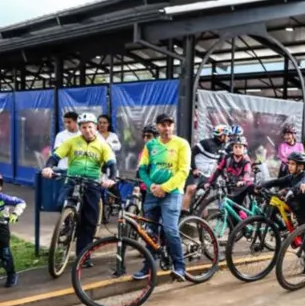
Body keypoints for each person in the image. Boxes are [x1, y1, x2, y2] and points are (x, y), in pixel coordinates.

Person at [42, 113, 116, 262]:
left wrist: (111, 179)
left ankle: (83, 256)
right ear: (80, 128)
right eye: (84, 127)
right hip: (72, 179)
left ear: (95, 127)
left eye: (90, 127)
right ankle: (68, 221)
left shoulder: (102, 145)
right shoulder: (72, 142)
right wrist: (48, 168)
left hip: (92, 183)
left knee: (89, 221)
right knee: (60, 202)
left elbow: (111, 165)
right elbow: (55, 157)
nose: (87, 130)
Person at [134, 113, 190, 281]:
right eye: (163, 125)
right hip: (152, 193)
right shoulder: (151, 145)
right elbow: (142, 169)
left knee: (170, 230)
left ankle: (179, 266)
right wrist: (151, 185)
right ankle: (148, 266)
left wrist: (164, 188)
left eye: (169, 125)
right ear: (158, 127)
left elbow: (183, 171)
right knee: (150, 232)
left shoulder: (181, 144)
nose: (167, 128)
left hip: (172, 193)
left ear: (173, 126)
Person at [257, 151, 305, 229]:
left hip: (301, 208)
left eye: (293, 164)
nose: (289, 166)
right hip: (290, 202)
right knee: (270, 209)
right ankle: (282, 227)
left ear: (301, 166)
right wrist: (262, 185)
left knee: (301, 236)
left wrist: (290, 190)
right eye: (289, 163)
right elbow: (276, 181)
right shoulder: (290, 176)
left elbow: (300, 184)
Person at [209, 135, 254, 215]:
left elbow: (247, 173)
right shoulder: (227, 158)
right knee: (231, 208)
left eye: (240, 147)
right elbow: (219, 170)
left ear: (244, 149)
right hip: (232, 185)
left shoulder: (246, 160)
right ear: (232, 148)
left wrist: (243, 181)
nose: (237, 149)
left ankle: (245, 222)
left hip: (243, 187)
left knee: (236, 208)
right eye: (235, 147)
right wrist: (210, 182)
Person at [0, 174, 26, 288]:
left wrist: (15, 214)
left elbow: (21, 202)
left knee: (5, 254)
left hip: (2, 229)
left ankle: (11, 274)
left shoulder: (3, 198)